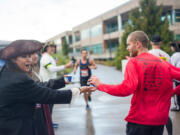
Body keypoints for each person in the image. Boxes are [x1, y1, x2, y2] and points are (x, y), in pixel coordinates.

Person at [88, 31, 180, 135]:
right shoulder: (164, 63)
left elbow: (126, 88)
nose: (127, 48)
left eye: (129, 44)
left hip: (139, 121)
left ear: (138, 44)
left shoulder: (134, 62)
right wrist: (174, 91)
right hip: (159, 121)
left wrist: (100, 85)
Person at [0, 40, 90, 135]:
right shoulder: (20, 78)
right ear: (13, 59)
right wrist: (78, 90)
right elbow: (48, 94)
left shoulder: (7, 71)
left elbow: (38, 87)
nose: (30, 59)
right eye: (24, 56)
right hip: (17, 128)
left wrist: (62, 81)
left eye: (31, 55)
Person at [39, 44, 73, 128]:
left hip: (51, 83)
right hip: (47, 84)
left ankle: (49, 122)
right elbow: (51, 69)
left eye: (54, 47)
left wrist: (55, 63)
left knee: (50, 105)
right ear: (46, 49)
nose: (53, 49)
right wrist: (65, 66)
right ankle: (47, 123)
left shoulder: (49, 57)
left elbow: (51, 68)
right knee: (48, 105)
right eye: (50, 47)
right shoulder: (45, 57)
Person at [149, 35, 172, 135]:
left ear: (151, 43)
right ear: (161, 43)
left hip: (150, 87)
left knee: (150, 112)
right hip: (164, 87)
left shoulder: (146, 54)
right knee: (164, 114)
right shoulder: (166, 55)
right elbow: (171, 72)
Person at [170, 42, 180, 112]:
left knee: (176, 92)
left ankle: (177, 106)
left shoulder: (175, 55)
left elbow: (172, 66)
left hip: (177, 75)